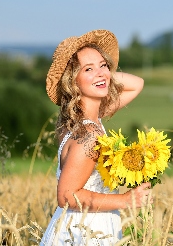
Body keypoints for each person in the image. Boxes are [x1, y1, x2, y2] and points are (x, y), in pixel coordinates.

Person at [40, 29, 152, 245]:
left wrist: (100, 76)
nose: (100, 72)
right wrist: (126, 200)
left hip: (84, 225)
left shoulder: (82, 120)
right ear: (72, 81)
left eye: (103, 64)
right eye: (88, 69)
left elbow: (137, 83)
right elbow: (66, 196)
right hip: (85, 232)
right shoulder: (89, 135)